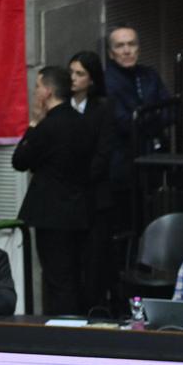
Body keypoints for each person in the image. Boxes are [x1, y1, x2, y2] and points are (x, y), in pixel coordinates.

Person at [12, 66, 95, 316]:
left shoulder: (47, 127)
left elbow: (20, 160)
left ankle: (62, 326)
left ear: (47, 92)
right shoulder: (83, 122)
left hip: (51, 213)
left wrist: (33, 123)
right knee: (75, 275)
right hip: (79, 209)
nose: (35, 91)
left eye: (37, 86)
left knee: (56, 278)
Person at [104, 27, 171, 237]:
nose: (126, 50)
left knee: (152, 217)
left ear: (138, 48)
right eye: (120, 46)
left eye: (131, 44)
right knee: (126, 222)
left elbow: (171, 110)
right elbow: (125, 123)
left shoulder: (149, 75)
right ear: (111, 53)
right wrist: (152, 117)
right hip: (122, 165)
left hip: (152, 158)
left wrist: (142, 118)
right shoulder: (107, 82)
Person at [70, 50, 117, 311]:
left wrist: (81, 177)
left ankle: (95, 306)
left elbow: (104, 152)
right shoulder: (64, 106)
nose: (73, 78)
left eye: (80, 74)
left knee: (95, 259)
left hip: (94, 194)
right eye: (71, 72)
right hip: (68, 198)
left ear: (91, 78)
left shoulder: (103, 107)